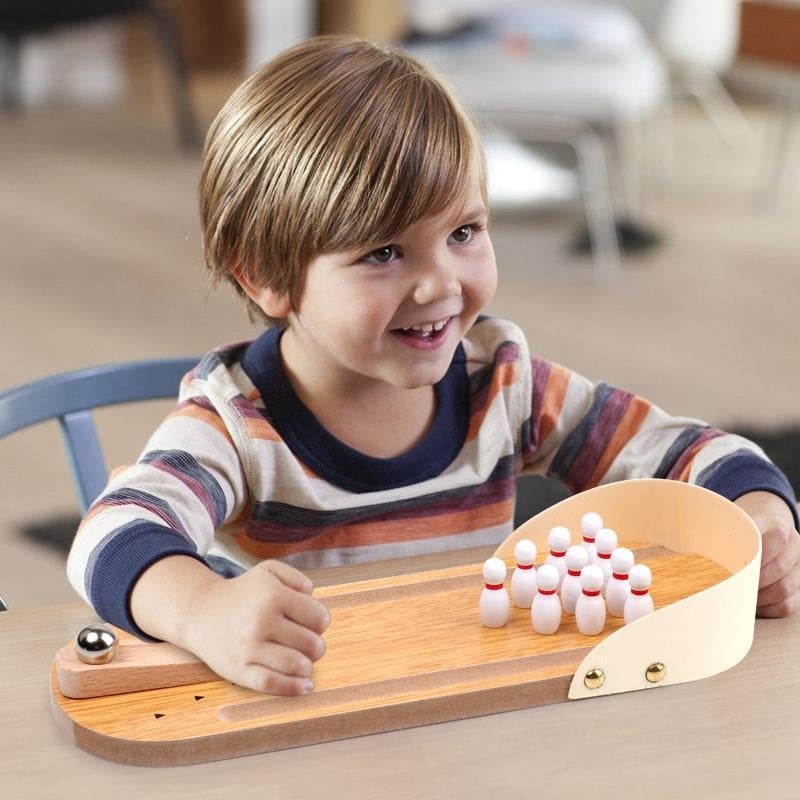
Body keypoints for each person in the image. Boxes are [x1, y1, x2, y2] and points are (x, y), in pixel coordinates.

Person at [67, 36, 799, 697]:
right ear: (266, 276)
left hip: (466, 706)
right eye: (384, 252)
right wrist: (204, 613)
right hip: (309, 722)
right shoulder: (235, 423)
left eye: (464, 232)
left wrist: (761, 517)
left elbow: (685, 450)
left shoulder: (504, 384)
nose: (441, 284)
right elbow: (113, 532)